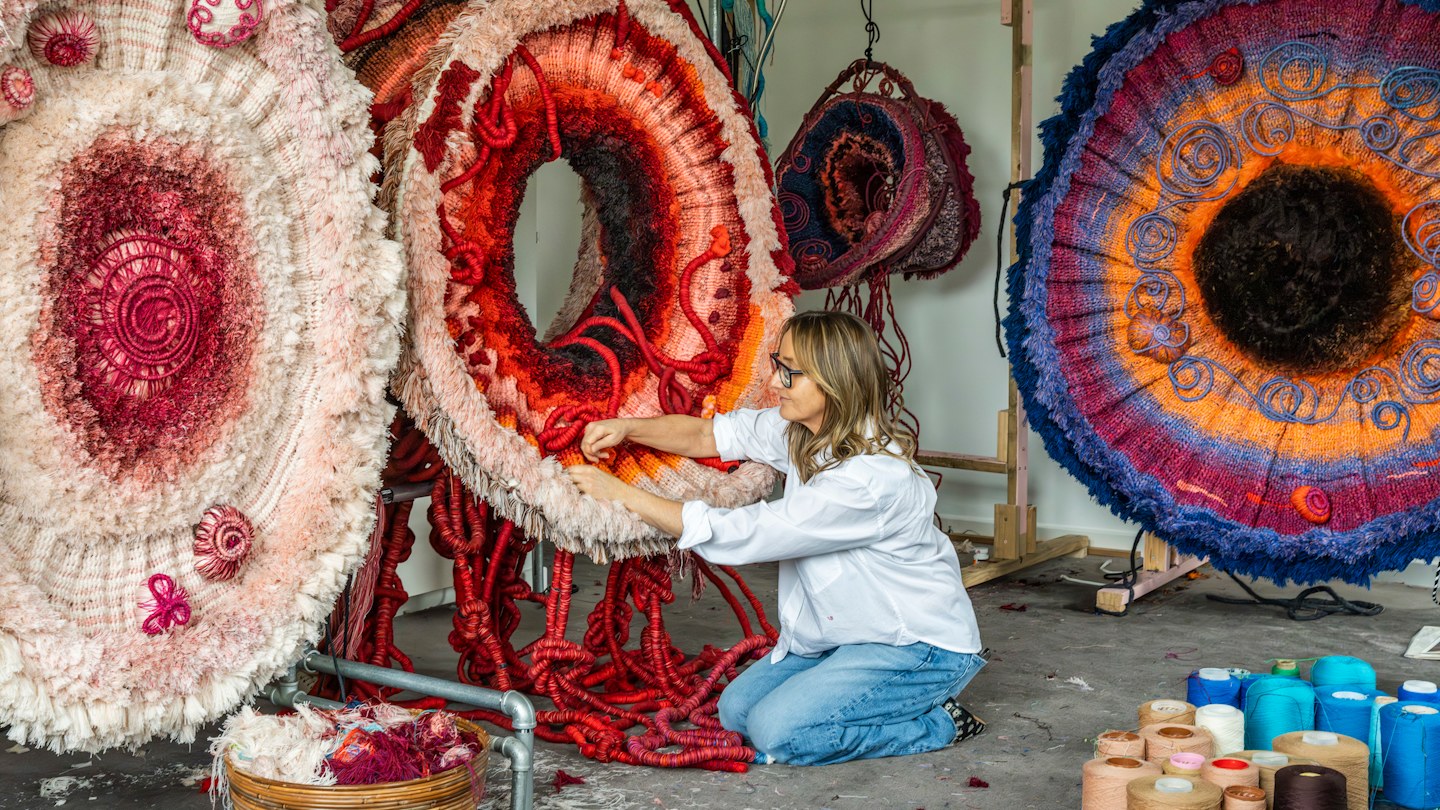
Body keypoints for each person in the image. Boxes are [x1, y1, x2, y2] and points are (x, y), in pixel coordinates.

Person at [567, 310, 985, 766]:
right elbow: (710, 434)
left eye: (790, 372)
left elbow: (745, 533)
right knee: (736, 711)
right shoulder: (803, 432)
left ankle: (938, 724)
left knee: (779, 733)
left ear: (834, 381)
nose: (774, 381)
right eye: (777, 364)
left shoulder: (868, 480)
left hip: (917, 647)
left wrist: (621, 494)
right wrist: (628, 428)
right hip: (848, 637)